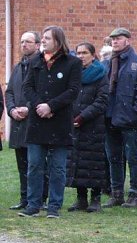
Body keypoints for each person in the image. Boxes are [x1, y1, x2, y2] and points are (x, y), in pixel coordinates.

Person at [19, 26, 82, 218]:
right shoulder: (35, 61)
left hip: (59, 121)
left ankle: (54, 206)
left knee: (57, 167)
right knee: (35, 165)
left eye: (47, 38)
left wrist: (51, 106)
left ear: (57, 41)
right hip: (38, 121)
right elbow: (27, 87)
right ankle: (33, 205)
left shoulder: (72, 62)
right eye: (43, 38)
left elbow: (73, 90)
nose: (43, 41)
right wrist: (40, 105)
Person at [103, 27, 137, 208]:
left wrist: (135, 110)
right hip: (109, 116)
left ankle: (134, 194)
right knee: (114, 157)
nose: (115, 42)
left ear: (128, 40)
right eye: (113, 39)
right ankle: (116, 192)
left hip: (129, 118)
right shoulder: (107, 63)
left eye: (118, 38)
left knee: (132, 156)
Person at [65, 42, 109, 213]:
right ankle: (81, 197)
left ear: (93, 55)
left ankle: (95, 198)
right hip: (74, 125)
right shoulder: (73, 74)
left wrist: (84, 116)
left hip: (93, 125)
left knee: (94, 162)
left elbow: (102, 100)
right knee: (77, 161)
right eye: (78, 53)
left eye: (84, 53)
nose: (81, 56)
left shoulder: (100, 74)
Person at [5, 31, 40, 211]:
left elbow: (42, 92)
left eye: (28, 41)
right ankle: (24, 197)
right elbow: (9, 91)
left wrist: (28, 107)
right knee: (22, 164)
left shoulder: (42, 66)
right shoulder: (18, 67)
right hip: (18, 122)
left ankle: (40, 198)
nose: (23, 45)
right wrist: (11, 109)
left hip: (35, 122)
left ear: (37, 45)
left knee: (37, 164)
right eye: (21, 42)